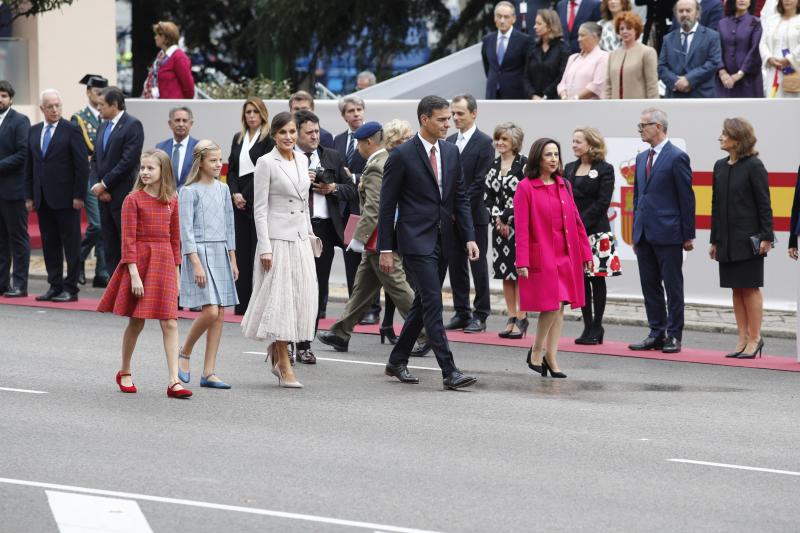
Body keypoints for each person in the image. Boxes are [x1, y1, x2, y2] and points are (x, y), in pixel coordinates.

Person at [378, 95, 480, 390]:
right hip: (414, 241)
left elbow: (459, 197)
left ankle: (397, 360)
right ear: (425, 119)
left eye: (449, 118)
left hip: (444, 240)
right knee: (434, 302)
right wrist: (386, 248)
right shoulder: (401, 155)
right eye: (442, 119)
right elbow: (387, 206)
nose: (448, 123)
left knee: (423, 303)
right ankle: (450, 371)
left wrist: (469, 236)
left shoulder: (450, 152)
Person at [317, 122, 427, 353]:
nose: (356, 148)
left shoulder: (378, 165)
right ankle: (340, 332)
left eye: (358, 143)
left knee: (397, 287)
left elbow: (375, 208)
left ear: (368, 142)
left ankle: (425, 333)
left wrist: (360, 237)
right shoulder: (381, 160)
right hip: (378, 239)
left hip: (380, 239)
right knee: (362, 288)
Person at [97, 149, 192, 399]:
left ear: (163, 172)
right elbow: (127, 240)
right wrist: (134, 274)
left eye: (151, 168)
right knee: (137, 321)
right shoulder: (133, 199)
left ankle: (173, 381)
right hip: (139, 263)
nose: (146, 172)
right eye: (143, 168)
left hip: (164, 264)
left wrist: (177, 273)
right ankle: (125, 370)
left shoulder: (172, 200)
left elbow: (175, 241)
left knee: (170, 321)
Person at [241, 112, 318, 389]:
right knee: (281, 301)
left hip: (299, 239)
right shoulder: (265, 162)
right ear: (274, 135)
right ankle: (284, 365)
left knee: (299, 298)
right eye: (283, 132)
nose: (288, 137)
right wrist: (265, 247)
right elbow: (259, 210)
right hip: (276, 241)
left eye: (292, 132)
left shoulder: (303, 159)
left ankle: (277, 353)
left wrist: (309, 235)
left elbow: (303, 203)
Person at [515, 138, 593, 379]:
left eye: (556, 154)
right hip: (544, 254)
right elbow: (522, 228)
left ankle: (551, 356)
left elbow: (577, 222)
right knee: (553, 304)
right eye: (548, 154)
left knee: (560, 307)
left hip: (566, 252)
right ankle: (537, 350)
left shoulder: (564, 185)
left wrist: (586, 252)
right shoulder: (525, 187)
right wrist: (522, 261)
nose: (553, 159)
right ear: (538, 157)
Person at [629, 108, 695, 354]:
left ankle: (674, 335)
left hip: (669, 233)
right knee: (649, 285)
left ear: (658, 126)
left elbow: (686, 198)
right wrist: (636, 230)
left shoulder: (677, 157)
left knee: (673, 286)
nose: (640, 130)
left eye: (643, 125)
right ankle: (656, 332)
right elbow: (638, 197)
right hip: (644, 233)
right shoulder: (640, 158)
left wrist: (688, 235)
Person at [294, 109, 357, 364]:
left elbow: (352, 190)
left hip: (324, 231)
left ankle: (305, 343)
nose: (314, 136)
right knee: (295, 287)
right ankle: (287, 340)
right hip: (295, 229)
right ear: (296, 134)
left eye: (317, 131)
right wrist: (301, 180)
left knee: (317, 289)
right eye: (308, 132)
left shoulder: (331, 156)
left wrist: (333, 188)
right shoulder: (287, 158)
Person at [177, 140, 239, 389]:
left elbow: (229, 226)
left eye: (219, 160)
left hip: (221, 250)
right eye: (213, 160)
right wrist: (195, 262)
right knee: (210, 311)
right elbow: (186, 231)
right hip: (199, 253)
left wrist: (233, 259)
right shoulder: (188, 191)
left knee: (221, 312)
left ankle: (209, 372)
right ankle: (184, 352)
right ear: (200, 161)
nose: (218, 165)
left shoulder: (223, 189)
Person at [710, 118, 773, 359]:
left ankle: (756, 338)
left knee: (750, 287)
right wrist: (715, 240)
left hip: (750, 238)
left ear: (738, 139)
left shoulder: (754, 165)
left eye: (725, 134)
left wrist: (767, 237)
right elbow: (716, 205)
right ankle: (743, 337)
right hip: (726, 239)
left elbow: (764, 204)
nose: (720, 137)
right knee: (736, 288)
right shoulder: (719, 166)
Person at [24, 89, 88, 303]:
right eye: (50, 106)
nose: (54, 109)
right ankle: (54, 285)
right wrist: (29, 196)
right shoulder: (33, 132)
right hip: (42, 198)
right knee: (49, 244)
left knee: (71, 245)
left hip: (67, 198)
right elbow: (30, 166)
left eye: (57, 105)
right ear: (42, 108)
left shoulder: (71, 130)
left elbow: (82, 166)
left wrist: (79, 195)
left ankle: (71, 288)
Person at [563, 127, 619, 345]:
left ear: (591, 144)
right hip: (574, 233)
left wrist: (581, 225)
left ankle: (598, 326)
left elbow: (602, 203)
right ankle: (587, 326)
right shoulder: (568, 168)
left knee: (597, 279)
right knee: (581, 280)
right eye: (573, 141)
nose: (574, 145)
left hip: (596, 231)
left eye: (578, 141)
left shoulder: (605, 169)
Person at [445, 94, 495, 333]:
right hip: (450, 216)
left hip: (474, 216)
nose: (455, 118)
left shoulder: (484, 142)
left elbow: (480, 181)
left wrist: (459, 208)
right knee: (456, 265)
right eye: (453, 113)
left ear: (473, 113)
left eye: (460, 113)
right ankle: (462, 311)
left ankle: (481, 313)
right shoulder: (451, 140)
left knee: (477, 265)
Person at [89, 86, 145, 274]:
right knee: (109, 243)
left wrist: (104, 184)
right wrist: (98, 186)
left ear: (114, 105)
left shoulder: (132, 125)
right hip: (103, 196)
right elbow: (96, 159)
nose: (99, 109)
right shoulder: (103, 125)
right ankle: (113, 289)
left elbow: (128, 161)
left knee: (126, 242)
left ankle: (129, 287)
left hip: (123, 195)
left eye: (102, 105)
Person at [227, 96, 274, 316]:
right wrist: (235, 193)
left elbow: (264, 171)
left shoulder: (269, 139)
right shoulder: (238, 138)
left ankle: (258, 302)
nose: (252, 116)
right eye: (248, 112)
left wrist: (245, 194)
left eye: (255, 111)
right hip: (239, 202)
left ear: (262, 113)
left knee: (258, 250)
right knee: (242, 252)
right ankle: (242, 302)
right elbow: (232, 170)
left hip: (258, 198)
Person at [333, 95, 376, 324]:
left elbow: (377, 171)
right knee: (351, 260)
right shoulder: (338, 140)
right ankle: (355, 307)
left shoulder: (374, 138)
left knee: (370, 259)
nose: (356, 113)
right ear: (344, 116)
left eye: (360, 109)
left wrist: (355, 177)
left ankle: (372, 309)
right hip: (345, 210)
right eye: (351, 111)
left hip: (366, 208)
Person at [484, 123, 529, 339]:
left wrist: (507, 218)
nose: (500, 143)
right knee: (505, 273)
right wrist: (497, 220)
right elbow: (488, 196)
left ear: (515, 143)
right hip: (499, 229)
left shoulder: (524, 165)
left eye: (505, 139)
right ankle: (511, 316)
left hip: (519, 227)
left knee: (519, 272)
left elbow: (526, 195)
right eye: (497, 139)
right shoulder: (492, 165)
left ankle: (522, 315)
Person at [377, 119, 416, 341]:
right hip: (394, 227)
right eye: (406, 137)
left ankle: (386, 324)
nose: (411, 141)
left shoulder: (403, 157)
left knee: (396, 280)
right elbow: (386, 202)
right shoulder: (392, 160)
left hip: (402, 225)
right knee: (400, 281)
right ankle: (421, 332)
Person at [73, 74, 109, 288]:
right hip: (88, 176)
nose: (100, 96)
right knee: (96, 224)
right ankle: (76, 261)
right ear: (88, 92)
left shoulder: (109, 116)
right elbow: (86, 148)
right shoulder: (79, 118)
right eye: (96, 92)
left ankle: (101, 272)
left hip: (108, 176)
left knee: (105, 224)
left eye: (103, 93)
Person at [0, 80, 31, 298]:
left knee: (18, 238)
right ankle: (2, 283)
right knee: (0, 240)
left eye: (3, 95)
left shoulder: (20, 121)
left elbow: (23, 153)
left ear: (10, 98)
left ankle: (20, 284)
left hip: (13, 190)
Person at [658, 0, 723, 98]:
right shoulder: (668, 39)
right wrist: (676, 82)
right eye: (680, 11)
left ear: (697, 13)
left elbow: (713, 62)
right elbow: (661, 67)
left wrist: (689, 80)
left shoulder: (712, 36)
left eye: (688, 10)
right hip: (675, 97)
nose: (684, 14)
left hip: (702, 97)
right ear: (676, 14)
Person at [482, 1, 534, 99]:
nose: (502, 20)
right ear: (494, 18)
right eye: (499, 16)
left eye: (506, 17)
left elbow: (529, 69)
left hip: (515, 94)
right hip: (492, 94)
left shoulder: (524, 40)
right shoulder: (487, 40)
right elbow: (488, 66)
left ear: (513, 19)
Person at [604, 12, 659, 98]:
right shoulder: (613, 55)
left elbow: (652, 85)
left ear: (636, 30)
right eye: (621, 29)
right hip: (615, 107)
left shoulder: (647, 52)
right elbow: (608, 85)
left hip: (638, 107)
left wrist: (653, 108)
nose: (624, 31)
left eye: (629, 28)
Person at [716, 0, 764, 97]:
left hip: (748, 80)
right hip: (724, 81)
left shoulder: (756, 22)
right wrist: (722, 72)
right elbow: (716, 49)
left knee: (748, 111)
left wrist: (740, 74)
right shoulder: (721, 23)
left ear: (751, 2)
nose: (742, 0)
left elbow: (754, 51)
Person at [524, 8, 572, 100]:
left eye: (539, 23)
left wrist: (546, 95)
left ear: (550, 26)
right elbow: (525, 76)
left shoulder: (563, 49)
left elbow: (562, 76)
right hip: (532, 101)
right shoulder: (533, 48)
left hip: (554, 100)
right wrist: (532, 95)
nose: (535, 26)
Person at [142, 21, 195, 99]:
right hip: (159, 105)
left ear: (166, 38)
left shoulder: (179, 57)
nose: (155, 37)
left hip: (173, 107)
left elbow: (189, 88)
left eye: (158, 35)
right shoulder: (161, 56)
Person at [558, 22, 610, 99]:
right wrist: (564, 97)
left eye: (582, 35)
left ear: (594, 37)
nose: (579, 39)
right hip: (569, 106)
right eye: (578, 35)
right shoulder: (573, 58)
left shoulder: (603, 57)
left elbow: (597, 85)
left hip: (590, 107)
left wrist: (575, 98)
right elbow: (562, 83)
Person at [759, 0, 800, 98]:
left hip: (795, 71)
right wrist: (768, 58)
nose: (787, 0)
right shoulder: (772, 20)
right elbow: (763, 42)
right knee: (774, 106)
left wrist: (789, 59)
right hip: (774, 71)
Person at [155, 106, 198, 189]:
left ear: (191, 124)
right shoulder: (160, 147)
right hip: (165, 198)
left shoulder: (199, 147)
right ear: (170, 124)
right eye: (177, 120)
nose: (181, 124)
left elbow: (200, 177)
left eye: (184, 121)